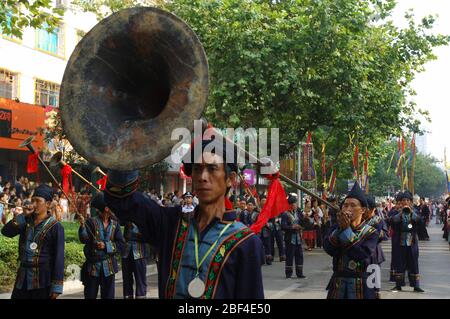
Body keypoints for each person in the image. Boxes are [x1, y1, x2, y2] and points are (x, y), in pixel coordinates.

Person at [104, 138, 265, 299]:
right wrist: (128, 145)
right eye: (197, 169)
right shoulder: (170, 223)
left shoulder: (246, 243)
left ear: (230, 179)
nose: (202, 176)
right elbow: (122, 199)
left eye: (212, 169)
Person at [1, 184, 65, 299]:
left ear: (48, 204)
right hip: (22, 278)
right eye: (33, 200)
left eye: (38, 201)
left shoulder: (56, 227)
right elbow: (6, 232)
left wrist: (57, 286)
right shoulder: (25, 221)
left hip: (43, 281)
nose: (34, 204)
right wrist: (22, 216)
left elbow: (59, 257)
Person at [323, 182, 379, 299]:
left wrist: (346, 230)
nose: (348, 209)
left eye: (353, 205)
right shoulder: (335, 228)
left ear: (363, 209)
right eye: (345, 205)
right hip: (338, 285)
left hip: (361, 287)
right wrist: (340, 229)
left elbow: (360, 254)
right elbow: (329, 249)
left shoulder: (371, 232)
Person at [79, 193, 124, 299]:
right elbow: (84, 239)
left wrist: (106, 246)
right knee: (90, 295)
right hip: (93, 268)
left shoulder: (115, 224)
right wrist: (82, 227)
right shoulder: (91, 222)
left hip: (109, 268)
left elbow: (121, 245)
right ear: (106, 209)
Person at [389, 190, 424, 292]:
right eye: (404, 200)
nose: (405, 202)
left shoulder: (415, 211)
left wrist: (411, 213)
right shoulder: (396, 212)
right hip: (399, 240)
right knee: (399, 262)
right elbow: (391, 222)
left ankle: (416, 285)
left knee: (413, 262)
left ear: (411, 202)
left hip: (412, 240)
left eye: (407, 200)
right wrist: (400, 214)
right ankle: (398, 284)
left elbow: (421, 223)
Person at [364, 195, 389, 299]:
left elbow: (385, 235)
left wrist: (373, 234)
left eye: (366, 208)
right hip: (360, 253)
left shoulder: (378, 220)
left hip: (374, 253)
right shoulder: (357, 220)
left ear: (372, 209)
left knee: (373, 283)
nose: (364, 211)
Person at [281, 195, 306, 279]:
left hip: (298, 238)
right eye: (292, 204)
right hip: (290, 238)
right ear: (289, 205)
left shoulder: (299, 212)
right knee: (289, 256)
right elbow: (283, 226)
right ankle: (288, 273)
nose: (294, 205)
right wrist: (292, 227)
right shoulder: (285, 214)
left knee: (299, 255)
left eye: (295, 203)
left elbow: (303, 223)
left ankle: (300, 273)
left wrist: (302, 225)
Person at [122, 221, 149, 299]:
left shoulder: (144, 218)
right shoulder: (127, 217)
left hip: (139, 252)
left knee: (140, 279)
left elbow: (147, 236)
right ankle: (127, 296)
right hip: (126, 252)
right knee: (126, 279)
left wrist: (134, 231)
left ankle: (141, 296)